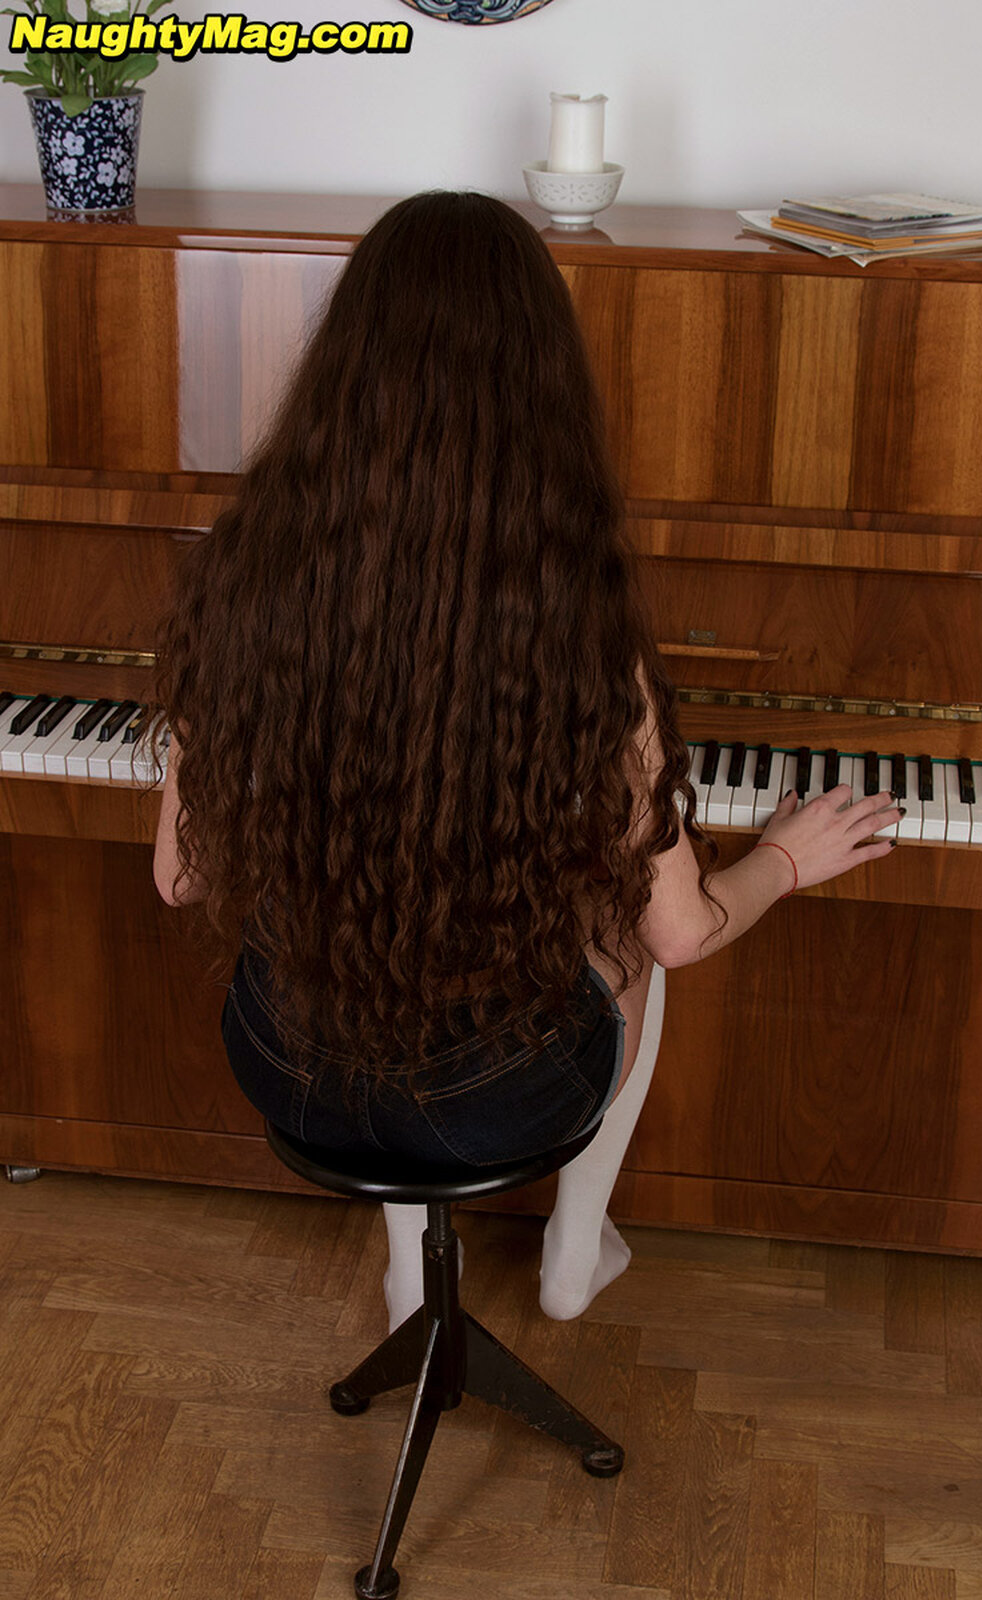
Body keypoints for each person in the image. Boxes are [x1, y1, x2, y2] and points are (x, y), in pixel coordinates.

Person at [151, 190, 902, 1327]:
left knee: (355, 912)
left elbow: (181, 876)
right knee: (621, 921)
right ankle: (573, 1250)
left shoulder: (242, 581)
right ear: (543, 385)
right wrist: (785, 859)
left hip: (286, 1063)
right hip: (489, 1100)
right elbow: (679, 931)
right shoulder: (572, 617)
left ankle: (409, 1272)